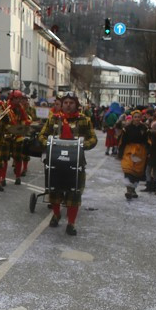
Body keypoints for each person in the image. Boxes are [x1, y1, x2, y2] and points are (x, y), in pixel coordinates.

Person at [37, 92, 97, 235]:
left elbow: (93, 138)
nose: (68, 105)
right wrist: (49, 143)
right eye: (66, 103)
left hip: (76, 161)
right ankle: (56, 214)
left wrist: (83, 145)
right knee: (54, 190)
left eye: (71, 103)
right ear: (62, 104)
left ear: (76, 104)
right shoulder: (54, 119)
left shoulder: (84, 120)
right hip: (55, 160)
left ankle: (71, 223)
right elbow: (42, 135)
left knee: (74, 192)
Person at [119, 111, 148, 200]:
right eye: (135, 117)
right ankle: (128, 190)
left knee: (137, 172)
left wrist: (148, 150)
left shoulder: (144, 128)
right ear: (132, 118)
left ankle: (133, 189)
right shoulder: (127, 128)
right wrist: (120, 152)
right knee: (128, 169)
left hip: (140, 151)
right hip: (129, 150)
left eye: (138, 117)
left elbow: (148, 141)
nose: (137, 119)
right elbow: (122, 141)